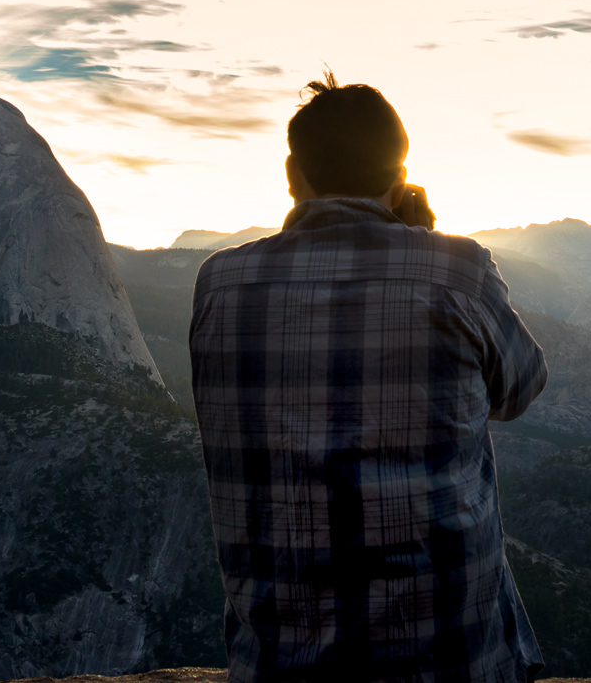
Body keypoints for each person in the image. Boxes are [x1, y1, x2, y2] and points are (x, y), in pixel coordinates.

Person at [188, 73, 549, 683]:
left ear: (291, 173)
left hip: (281, 666)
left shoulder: (220, 285)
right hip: (449, 661)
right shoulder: (457, 271)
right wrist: (424, 240)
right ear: (399, 178)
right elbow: (521, 390)